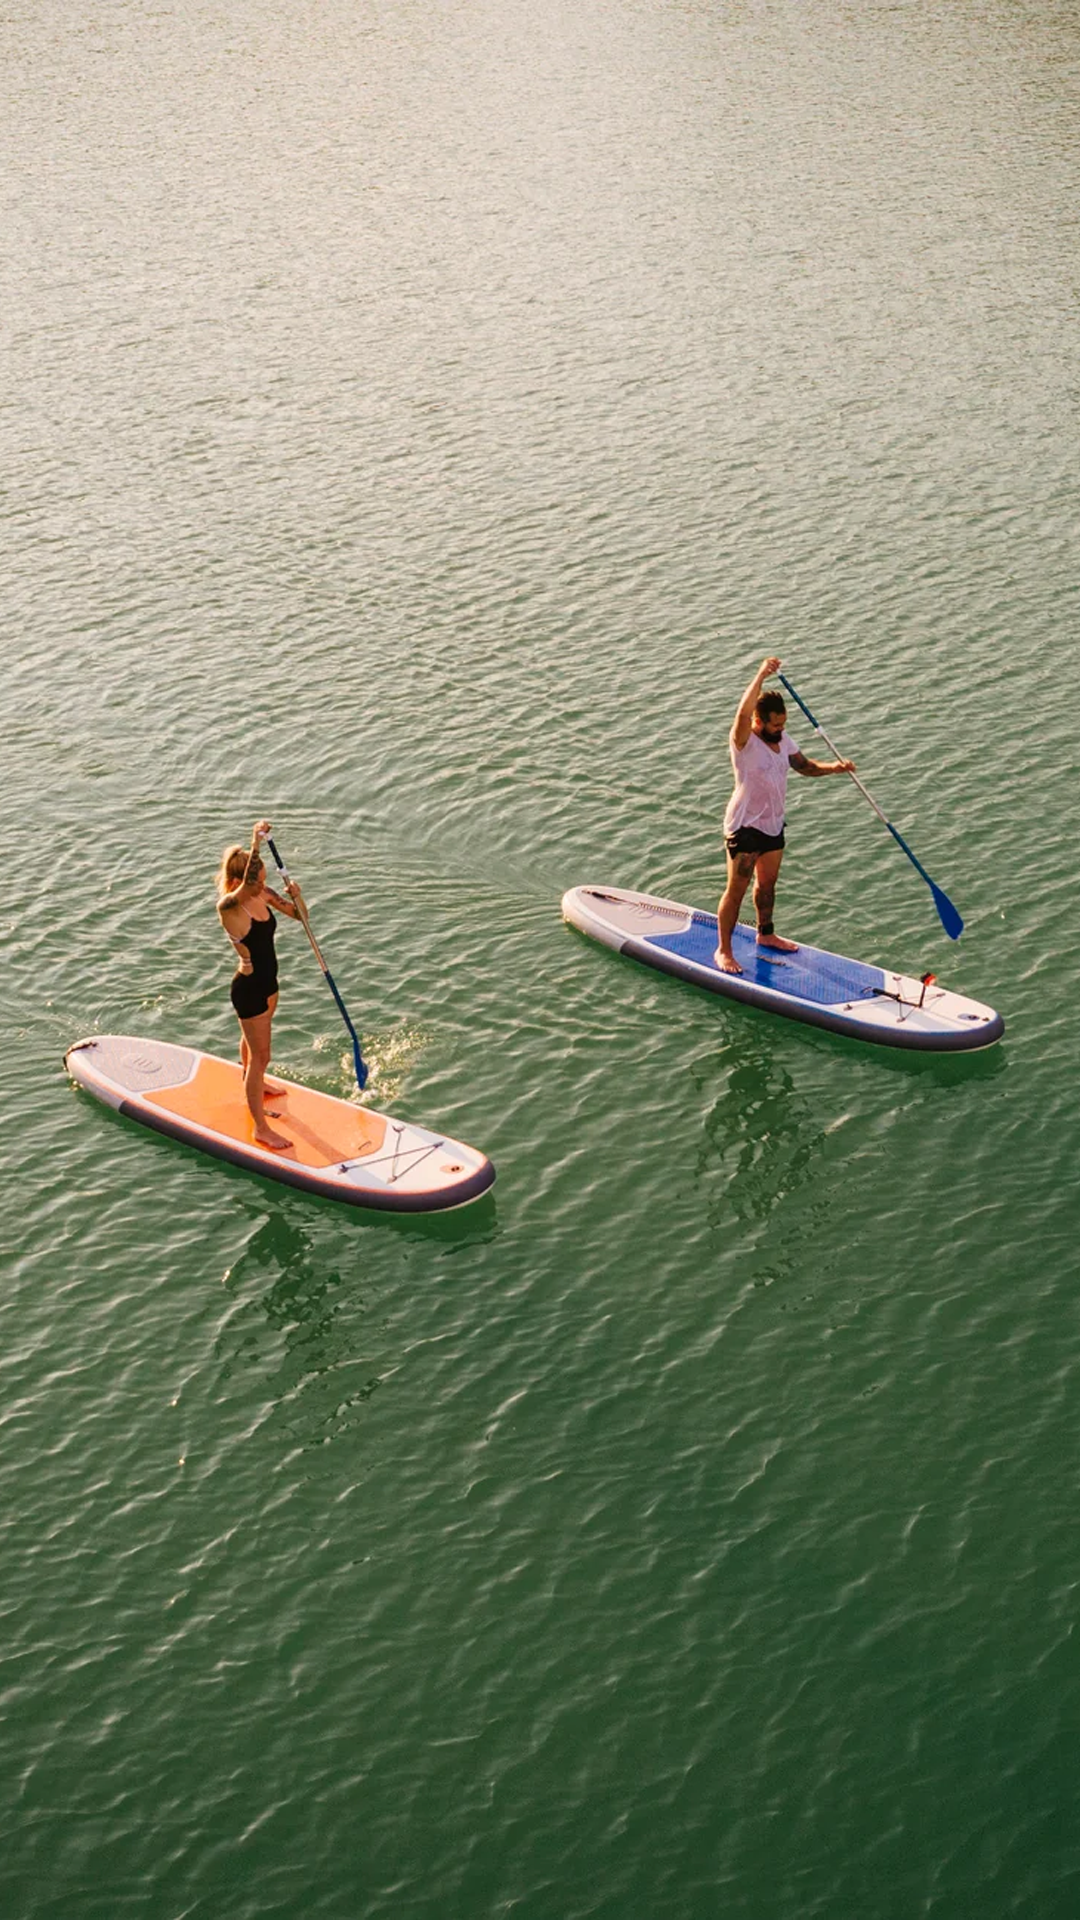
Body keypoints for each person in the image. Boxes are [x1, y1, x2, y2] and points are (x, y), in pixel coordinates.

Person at [717, 657, 854, 975]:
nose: (781, 730)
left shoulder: (784, 740)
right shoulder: (744, 742)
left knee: (767, 885)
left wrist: (836, 768)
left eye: (783, 724)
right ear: (758, 721)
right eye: (775, 724)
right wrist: (761, 675)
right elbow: (741, 712)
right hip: (745, 827)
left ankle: (765, 934)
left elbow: (805, 766)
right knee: (737, 887)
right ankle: (724, 950)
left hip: (772, 826)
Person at [216, 820, 305, 1149]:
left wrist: (298, 897)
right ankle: (261, 1128)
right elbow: (244, 887)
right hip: (249, 989)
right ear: (239, 882)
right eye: (256, 882)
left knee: (252, 1049)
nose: (262, 888)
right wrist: (255, 842)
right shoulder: (229, 908)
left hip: (270, 983)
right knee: (261, 1056)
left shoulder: (262, 894)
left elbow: (300, 917)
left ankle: (251, 1080)